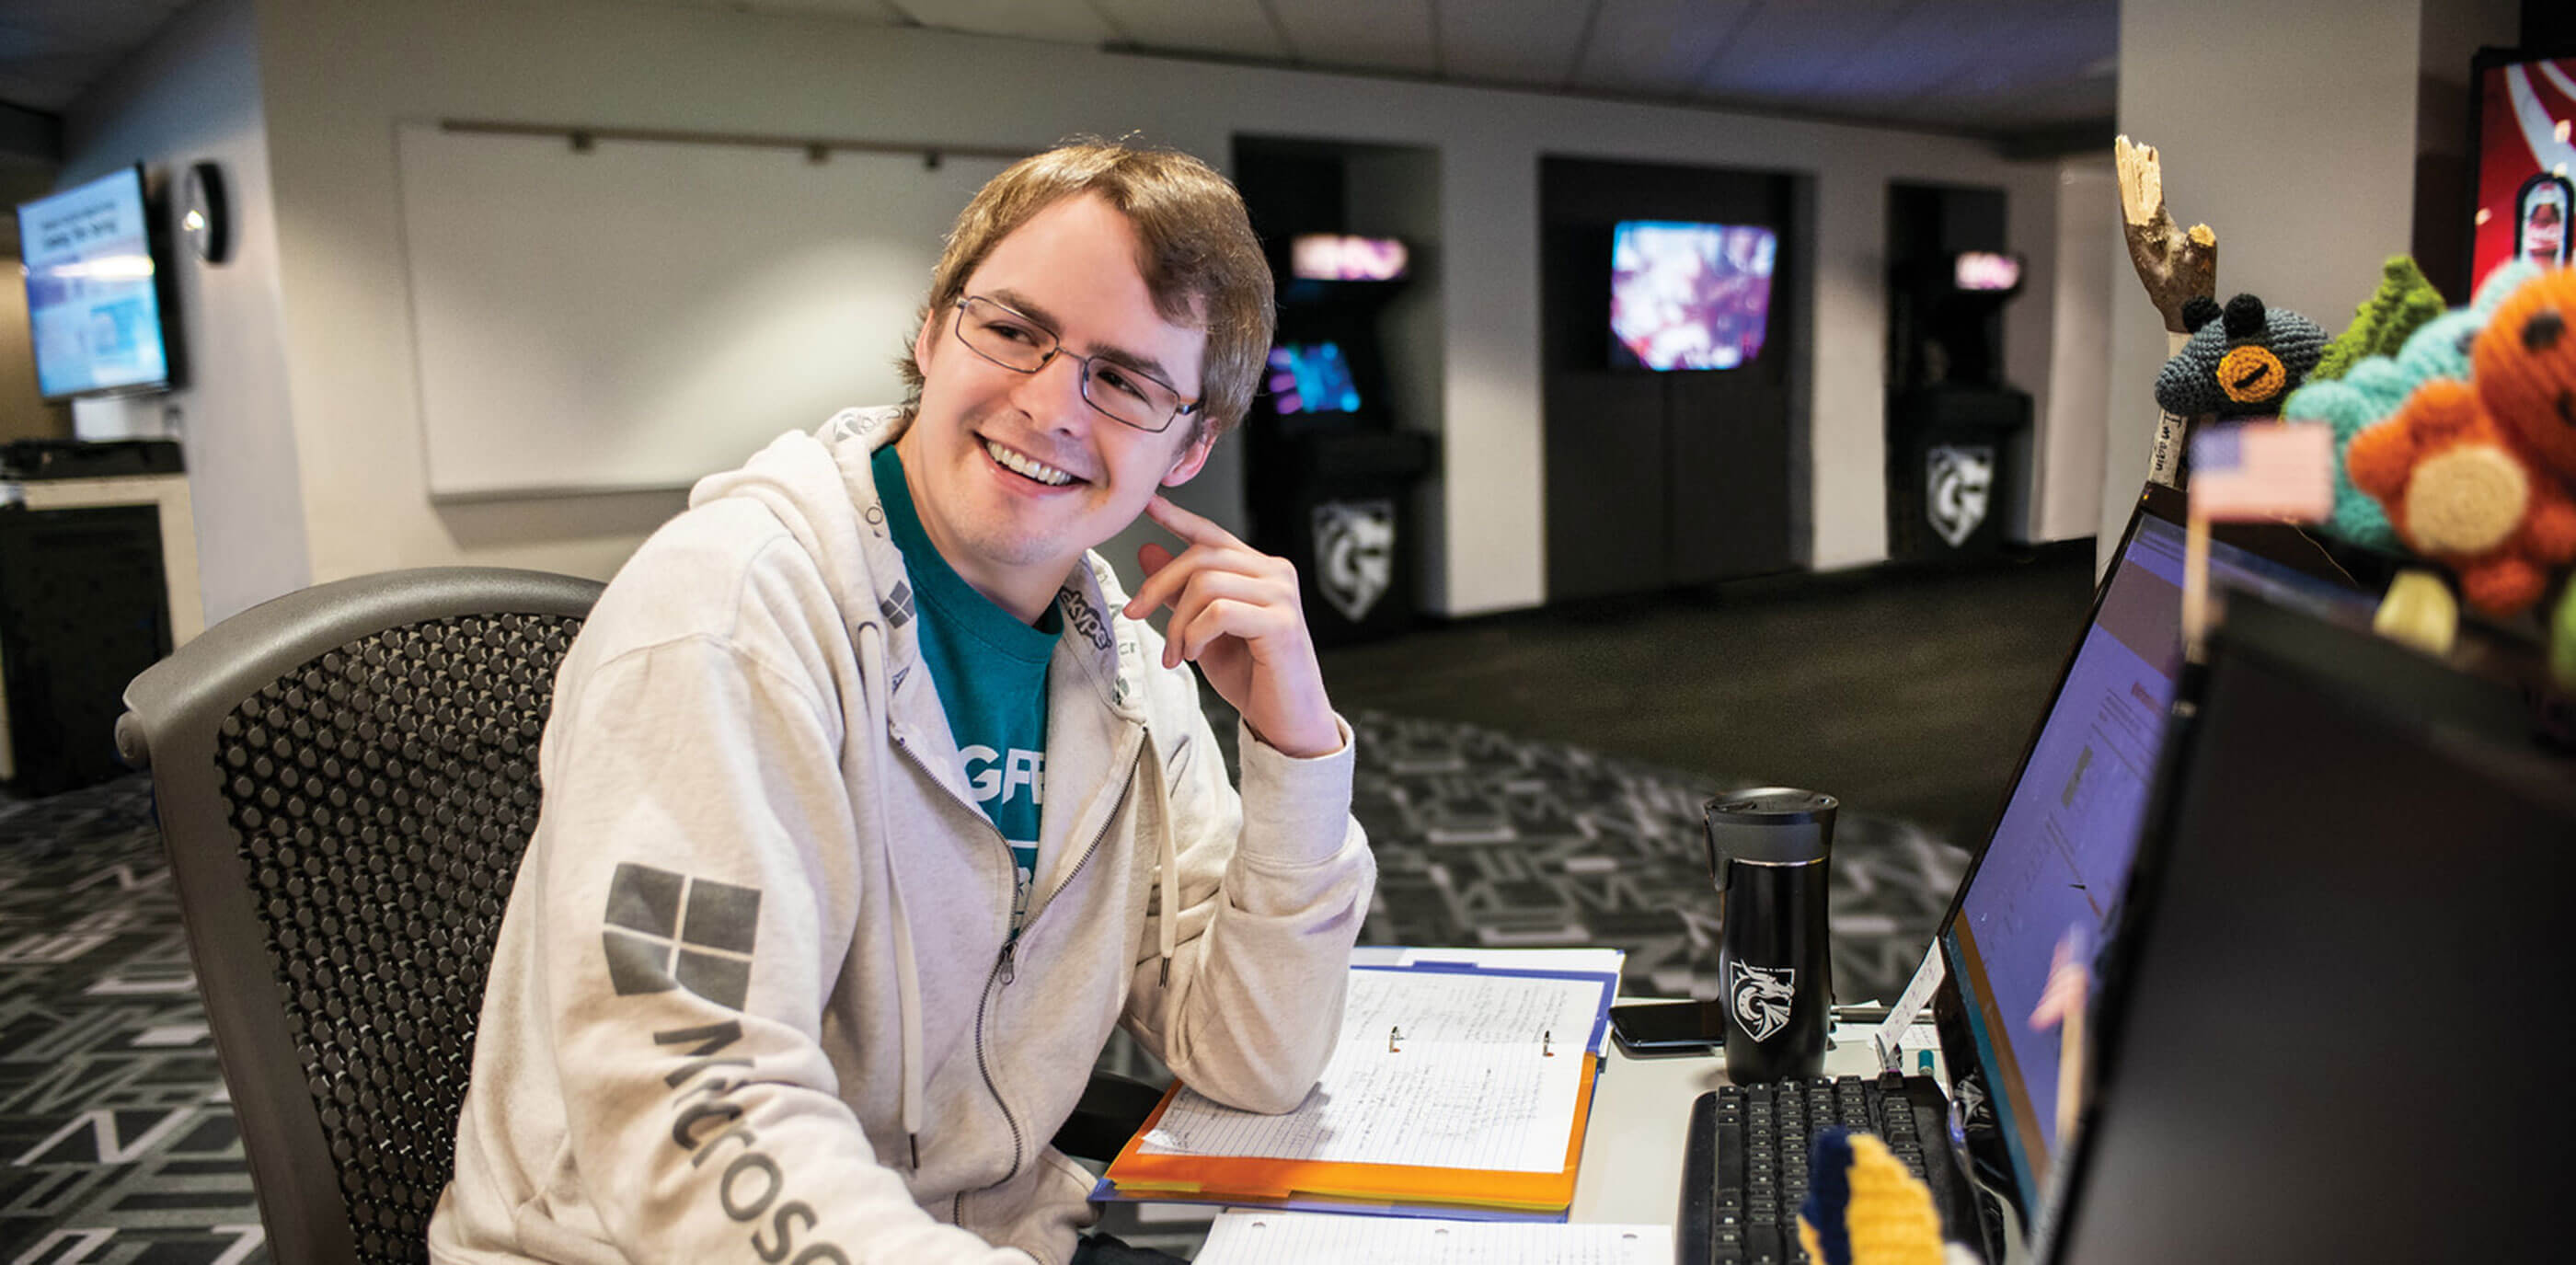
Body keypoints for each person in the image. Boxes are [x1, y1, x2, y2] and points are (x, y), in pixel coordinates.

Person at [428, 142, 1376, 1265]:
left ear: (1190, 447)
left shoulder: (1119, 663)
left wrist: (1297, 747)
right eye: (1014, 331)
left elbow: (1252, 1057)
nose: (1048, 404)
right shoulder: (732, 613)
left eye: (1123, 380)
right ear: (933, 331)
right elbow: (691, 1116)